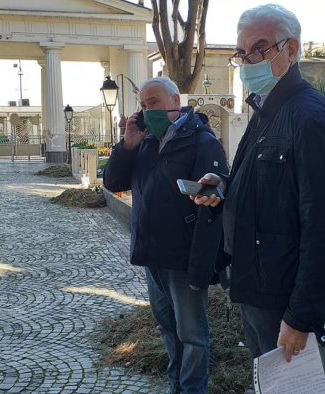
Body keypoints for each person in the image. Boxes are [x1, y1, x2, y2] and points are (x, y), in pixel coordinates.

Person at [194, 4, 325, 364]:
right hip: (254, 279)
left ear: (291, 50)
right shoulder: (266, 110)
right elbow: (269, 187)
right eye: (242, 53)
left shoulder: (310, 118)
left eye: (260, 49)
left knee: (288, 385)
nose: (249, 61)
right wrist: (224, 185)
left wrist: (300, 316)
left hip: (282, 291)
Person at [104, 77, 228, 394]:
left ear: (175, 101)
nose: (148, 110)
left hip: (184, 258)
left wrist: (202, 268)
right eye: (143, 105)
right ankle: (177, 386)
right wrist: (126, 145)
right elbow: (114, 181)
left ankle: (192, 390)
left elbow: (212, 209)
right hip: (151, 254)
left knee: (192, 335)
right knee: (168, 329)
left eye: (154, 103)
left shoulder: (202, 142)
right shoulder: (143, 142)